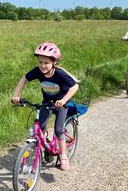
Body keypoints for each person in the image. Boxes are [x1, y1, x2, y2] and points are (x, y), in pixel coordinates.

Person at [11, 42, 79, 171]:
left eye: (46, 63)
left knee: (59, 130)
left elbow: (75, 86)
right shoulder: (37, 71)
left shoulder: (59, 74)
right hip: (47, 102)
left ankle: (63, 156)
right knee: (40, 126)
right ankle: (39, 148)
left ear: (54, 62)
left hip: (60, 104)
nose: (43, 65)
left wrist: (63, 100)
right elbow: (23, 79)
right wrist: (16, 95)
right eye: (40, 62)